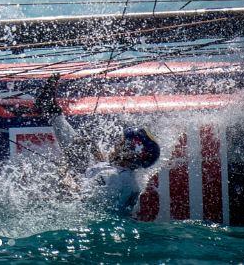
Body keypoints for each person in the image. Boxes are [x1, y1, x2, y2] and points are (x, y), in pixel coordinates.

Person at [34, 74, 160, 213]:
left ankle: (50, 109)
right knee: (80, 146)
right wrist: (96, 153)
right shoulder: (125, 176)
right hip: (94, 210)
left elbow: (81, 198)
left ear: (128, 152)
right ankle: (51, 109)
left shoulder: (113, 177)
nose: (115, 145)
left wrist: (65, 172)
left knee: (69, 160)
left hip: (80, 218)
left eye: (121, 143)